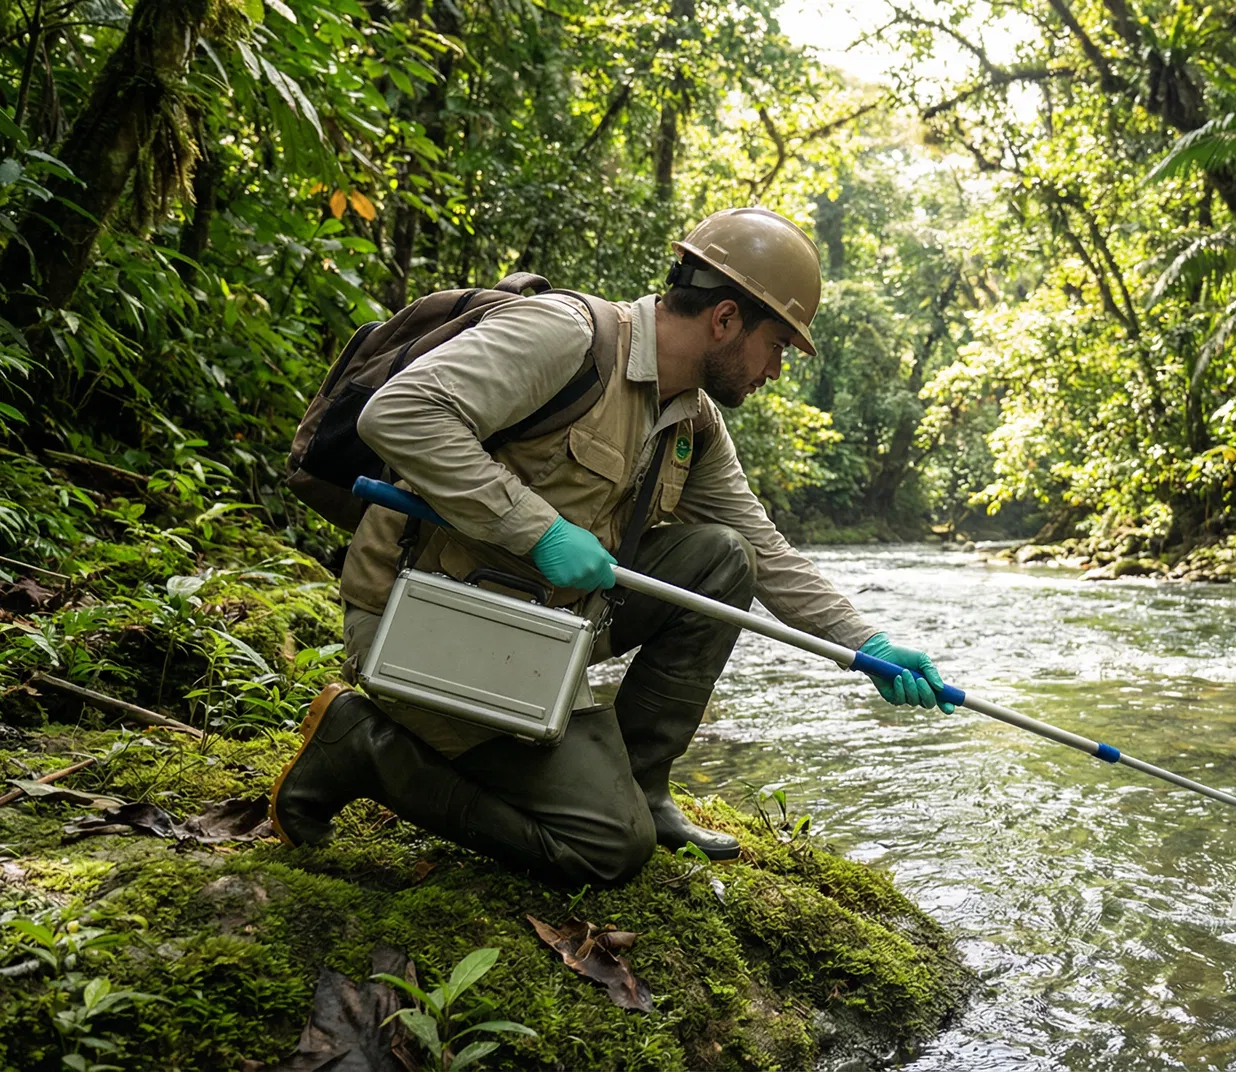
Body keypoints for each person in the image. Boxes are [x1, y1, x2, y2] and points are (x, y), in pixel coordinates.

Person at [269, 207, 950, 884]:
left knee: (723, 558)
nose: (775, 369)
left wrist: (867, 645)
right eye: (777, 345)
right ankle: (360, 746)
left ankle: (644, 788)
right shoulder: (566, 336)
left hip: (541, 630)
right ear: (725, 319)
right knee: (606, 848)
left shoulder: (692, 419)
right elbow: (400, 412)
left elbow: (762, 549)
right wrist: (536, 528)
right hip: (423, 623)